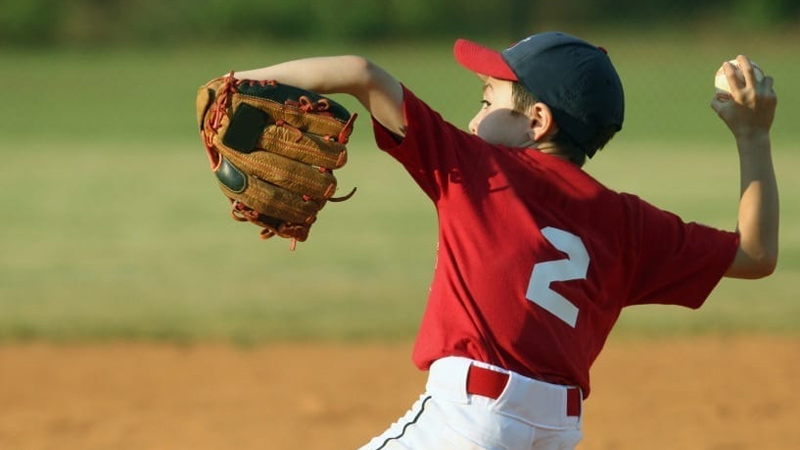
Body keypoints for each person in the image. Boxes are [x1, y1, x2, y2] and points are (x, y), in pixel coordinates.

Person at [231, 31, 779, 449]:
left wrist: (234, 85)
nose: (473, 120)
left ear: (537, 121)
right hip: (556, 430)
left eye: (487, 99)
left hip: (469, 419)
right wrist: (753, 135)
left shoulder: (478, 169)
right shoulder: (629, 224)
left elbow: (360, 72)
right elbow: (755, 255)